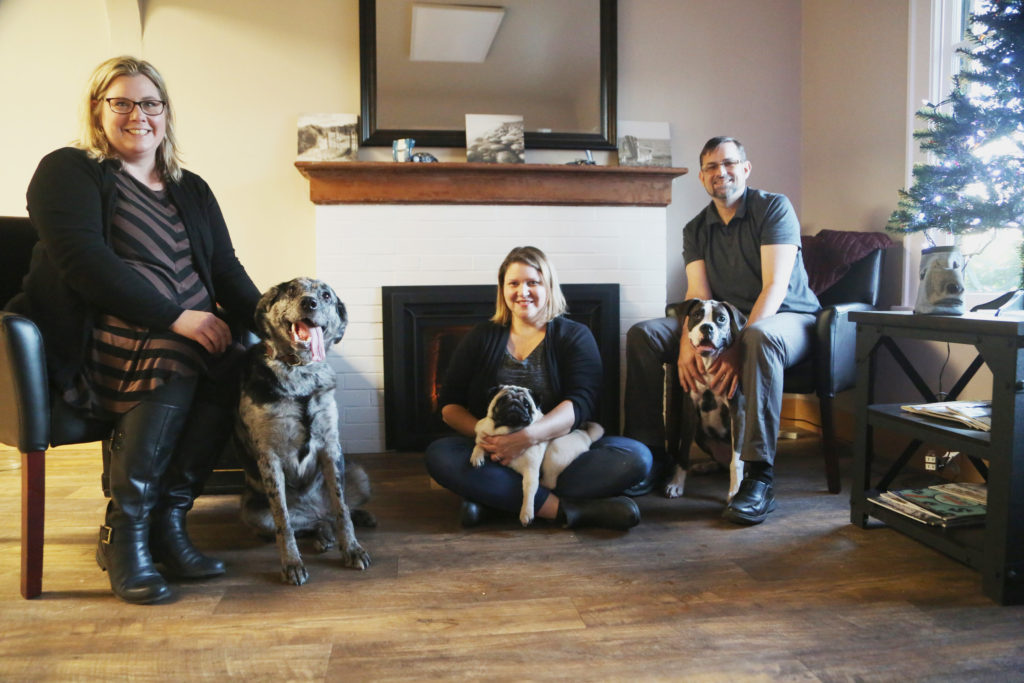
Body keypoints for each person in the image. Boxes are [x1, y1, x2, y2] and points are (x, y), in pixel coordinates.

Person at [5, 56, 261, 603]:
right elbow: (83, 262)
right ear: (98, 111)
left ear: (165, 113)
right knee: (180, 349)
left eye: (149, 103)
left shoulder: (190, 187)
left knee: (239, 352)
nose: (136, 114)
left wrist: (278, 326)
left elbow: (226, 272)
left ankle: (169, 522)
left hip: (183, 333)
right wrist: (178, 316)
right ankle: (127, 537)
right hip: (94, 337)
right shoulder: (67, 169)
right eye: (121, 102)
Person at [624, 136, 820, 525]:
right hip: (723, 322)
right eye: (712, 167)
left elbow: (774, 288)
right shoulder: (696, 229)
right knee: (644, 334)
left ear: (745, 168)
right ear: (701, 177)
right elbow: (697, 295)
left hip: (788, 318)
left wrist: (738, 347)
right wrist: (685, 343)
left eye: (729, 163)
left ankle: (758, 477)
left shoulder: (774, 209)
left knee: (759, 338)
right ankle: (649, 457)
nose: (721, 173)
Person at [424, 246, 652, 530]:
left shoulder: (574, 335)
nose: (523, 291)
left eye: (533, 282)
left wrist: (528, 437)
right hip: (494, 450)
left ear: (549, 286)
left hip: (556, 450)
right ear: (503, 290)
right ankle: (567, 510)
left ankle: (492, 500)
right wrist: (491, 440)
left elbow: (581, 403)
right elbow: (449, 405)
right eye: (514, 283)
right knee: (440, 455)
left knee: (636, 458)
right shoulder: (482, 336)